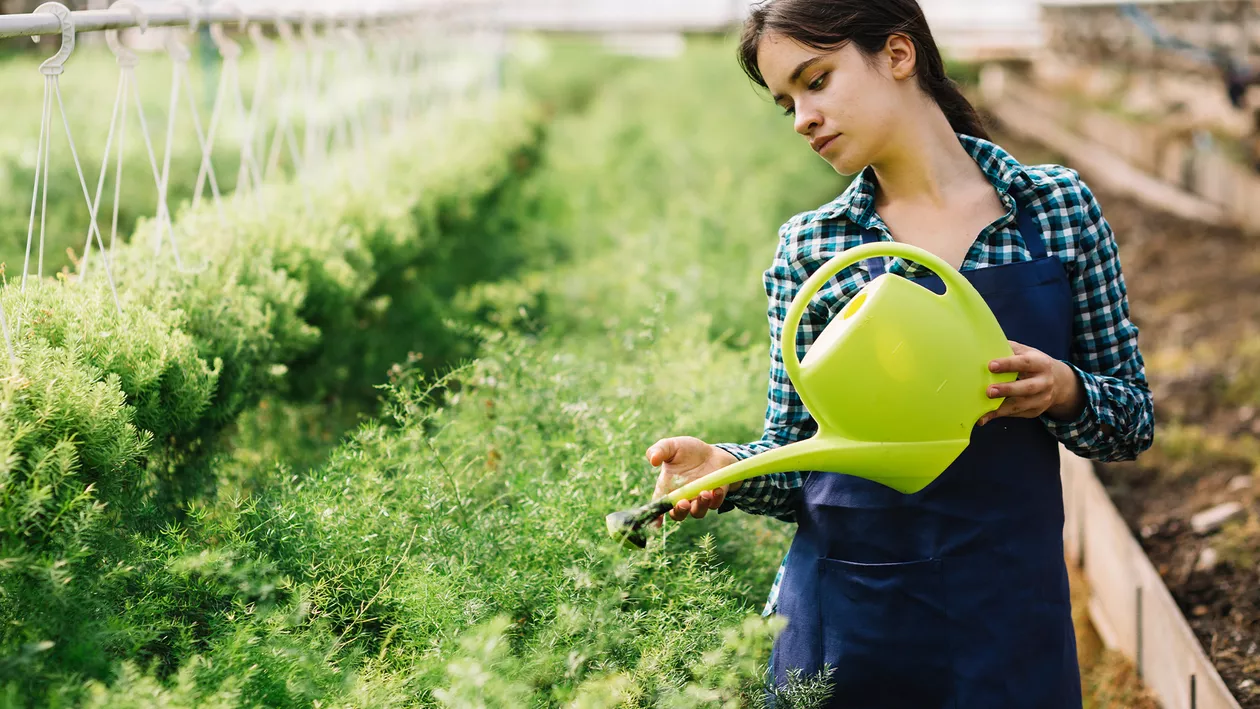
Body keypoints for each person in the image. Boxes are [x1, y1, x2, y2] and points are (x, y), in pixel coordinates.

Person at [644, 1, 1155, 707]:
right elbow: (797, 459)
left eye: (816, 81)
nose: (802, 119)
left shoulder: (1054, 210)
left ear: (897, 53)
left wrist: (1065, 390)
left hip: (1007, 613)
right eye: (787, 103)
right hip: (850, 617)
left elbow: (1131, 423)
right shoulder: (814, 245)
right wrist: (727, 468)